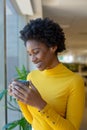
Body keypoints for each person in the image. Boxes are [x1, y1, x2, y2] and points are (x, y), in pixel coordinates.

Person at [8, 17, 85, 130]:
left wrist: (40, 104)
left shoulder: (74, 81)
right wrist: (20, 97)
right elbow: (33, 120)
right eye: (29, 54)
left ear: (53, 47)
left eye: (36, 52)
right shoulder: (32, 76)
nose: (33, 59)